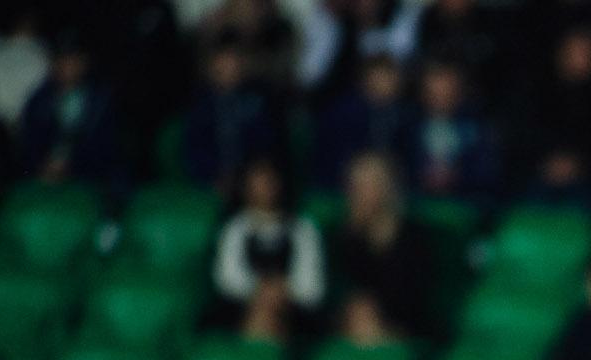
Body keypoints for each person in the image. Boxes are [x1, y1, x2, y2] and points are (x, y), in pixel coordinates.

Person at [213, 157, 326, 342]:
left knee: (270, 317)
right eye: (257, 182)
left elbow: (312, 288)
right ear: (246, 187)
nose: (264, 189)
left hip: (294, 317)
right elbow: (228, 280)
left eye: (269, 182)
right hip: (244, 311)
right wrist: (261, 292)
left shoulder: (303, 229)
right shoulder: (235, 229)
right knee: (260, 317)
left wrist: (281, 293)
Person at [511, 26, 591, 205]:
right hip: (539, 172)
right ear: (560, 54)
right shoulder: (536, 92)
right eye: (574, 52)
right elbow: (524, 135)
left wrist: (578, 165)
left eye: (587, 53)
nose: (580, 59)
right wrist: (547, 163)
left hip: (587, 178)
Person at [330, 151, 432, 338]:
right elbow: (335, 293)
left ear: (387, 188)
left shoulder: (413, 237)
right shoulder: (344, 238)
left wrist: (376, 313)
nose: (361, 193)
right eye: (357, 186)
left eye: (369, 185)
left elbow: (418, 299)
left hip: (402, 328)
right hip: (349, 323)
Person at [16, 33, 126, 190]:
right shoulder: (40, 99)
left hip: (88, 172)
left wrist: (71, 165)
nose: (65, 66)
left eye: (72, 60)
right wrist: (42, 166)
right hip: (44, 173)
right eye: (60, 59)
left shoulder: (102, 99)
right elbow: (29, 142)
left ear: (84, 62)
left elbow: (109, 145)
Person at [181, 40, 281, 193]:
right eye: (223, 67)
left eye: (233, 66)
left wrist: (245, 177)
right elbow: (194, 150)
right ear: (211, 68)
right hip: (209, 180)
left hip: (249, 181)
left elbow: (265, 145)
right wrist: (214, 176)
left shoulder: (257, 102)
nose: (229, 72)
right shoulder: (199, 108)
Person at [312, 52, 415, 191]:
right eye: (381, 76)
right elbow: (334, 160)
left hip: (391, 186)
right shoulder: (343, 113)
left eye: (392, 76)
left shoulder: (404, 114)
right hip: (343, 184)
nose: (388, 82)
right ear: (367, 79)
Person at [403, 59, 500, 204]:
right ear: (423, 92)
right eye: (434, 92)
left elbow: (488, 174)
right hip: (415, 204)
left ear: (459, 92)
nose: (441, 98)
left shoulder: (477, 129)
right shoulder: (408, 127)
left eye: (447, 91)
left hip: (464, 206)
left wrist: (458, 176)